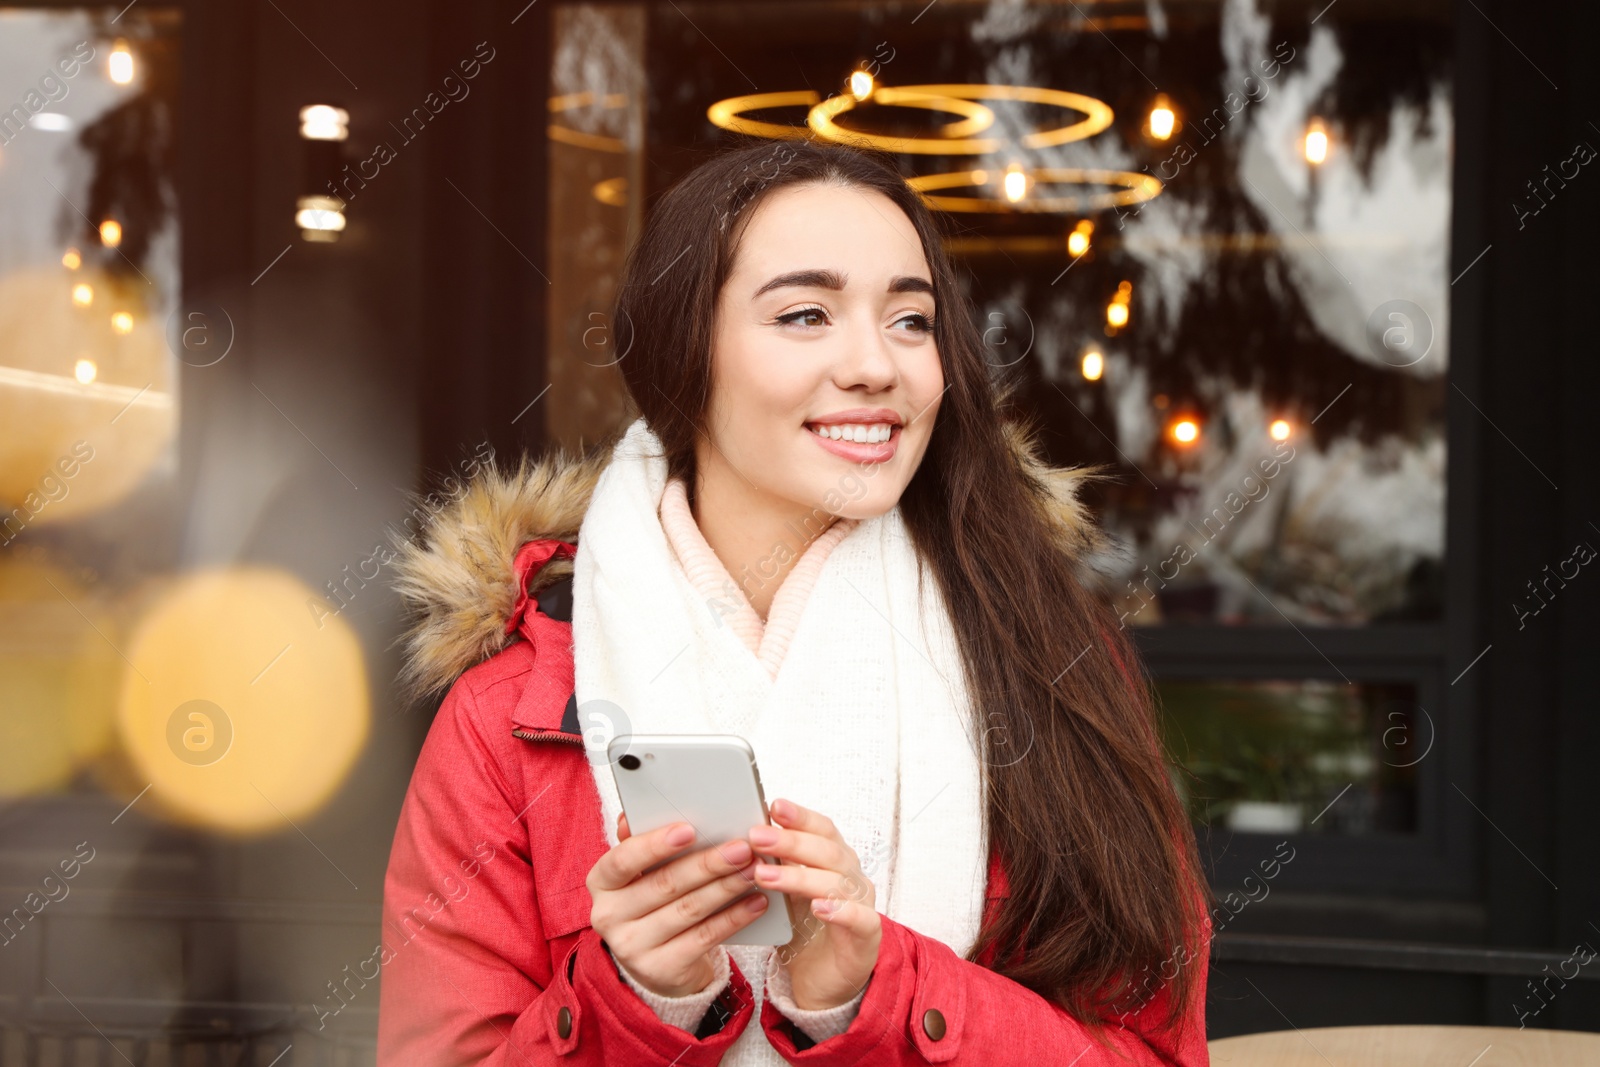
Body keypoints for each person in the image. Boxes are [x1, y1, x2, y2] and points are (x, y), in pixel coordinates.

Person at [376, 139, 1211, 1066]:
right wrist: (641, 1000)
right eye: (807, 314)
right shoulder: (510, 718)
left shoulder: (1050, 662)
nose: (876, 366)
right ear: (680, 355)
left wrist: (875, 993)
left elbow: (1158, 1050)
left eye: (910, 319)